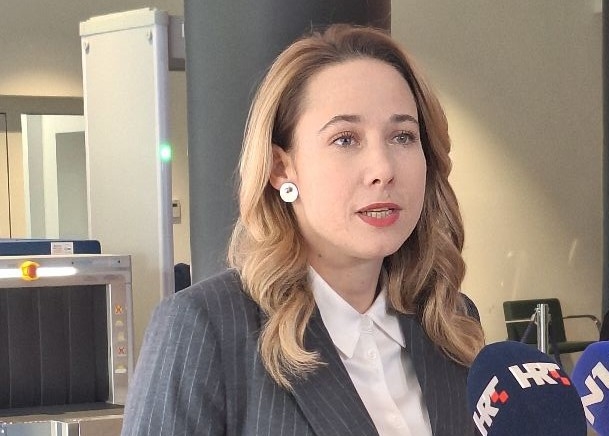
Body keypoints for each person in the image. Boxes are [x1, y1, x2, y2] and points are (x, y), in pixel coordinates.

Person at [121, 23, 485, 436]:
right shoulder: (205, 327)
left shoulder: (450, 320)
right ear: (281, 167)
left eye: (402, 136)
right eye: (345, 139)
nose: (383, 169)